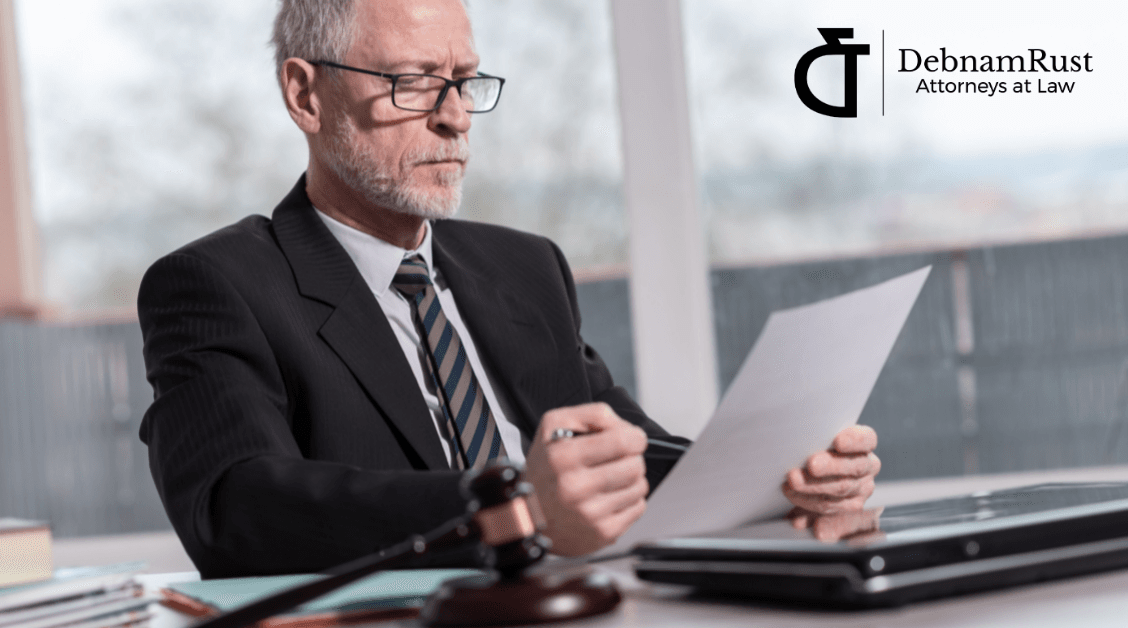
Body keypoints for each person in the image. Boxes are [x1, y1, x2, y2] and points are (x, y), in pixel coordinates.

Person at [137, 0, 881, 579]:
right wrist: (518, 508)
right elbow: (235, 509)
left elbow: (630, 456)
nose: (455, 116)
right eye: (414, 82)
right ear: (305, 95)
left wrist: (779, 478)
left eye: (463, 81)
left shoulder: (527, 266)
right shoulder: (215, 284)